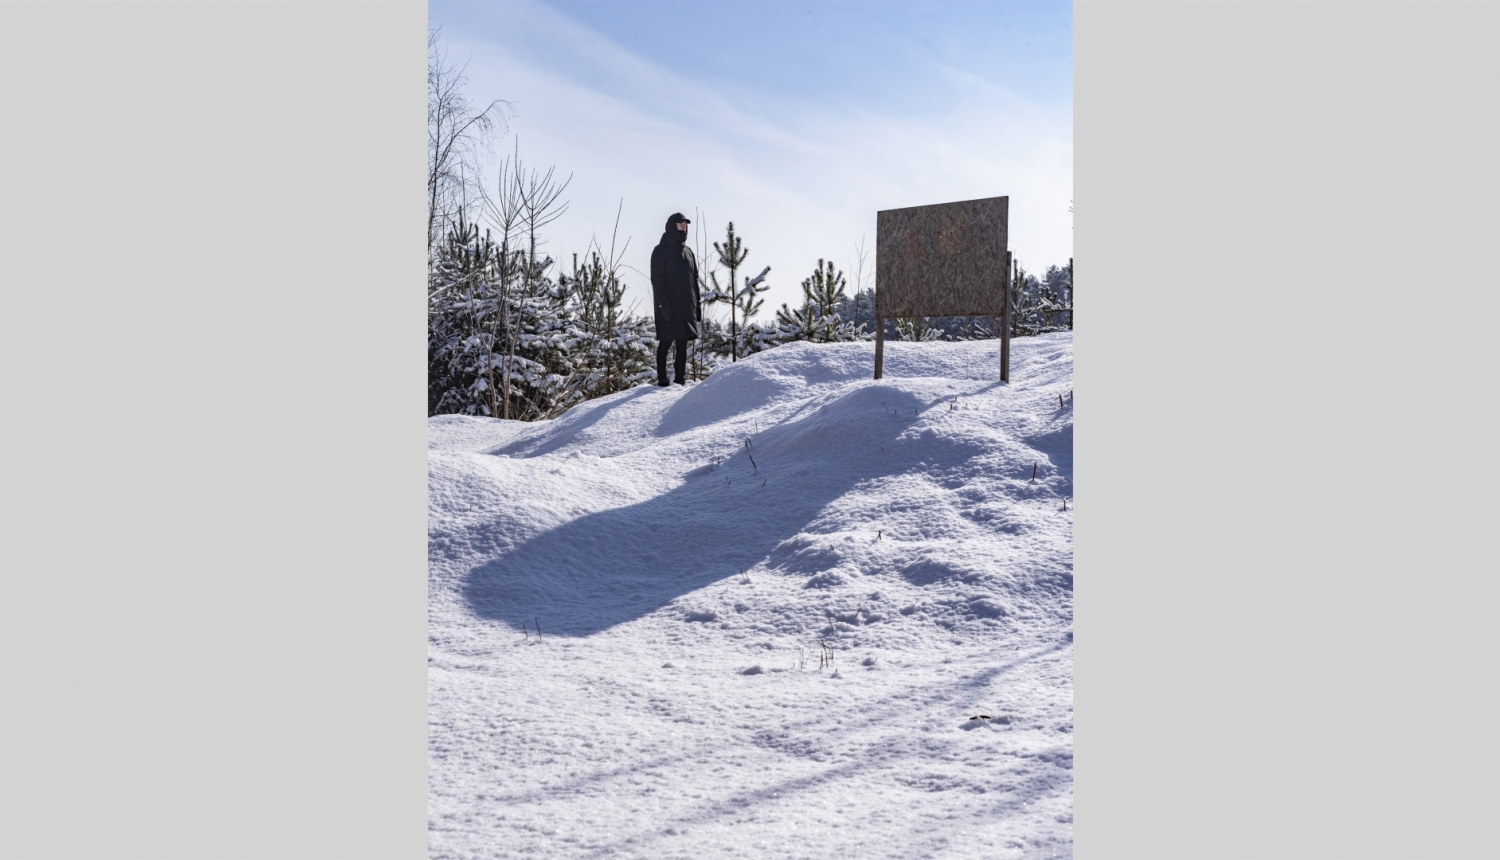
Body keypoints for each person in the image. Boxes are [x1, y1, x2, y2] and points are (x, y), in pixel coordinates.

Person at [649, 212, 701, 386]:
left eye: (685, 225)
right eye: (681, 224)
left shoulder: (688, 252)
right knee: (665, 341)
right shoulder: (660, 251)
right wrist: (664, 304)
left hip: (686, 304)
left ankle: (680, 381)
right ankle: (662, 380)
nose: (684, 227)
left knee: (682, 342)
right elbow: (657, 280)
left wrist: (697, 304)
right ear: (672, 226)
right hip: (668, 304)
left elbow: (694, 279)